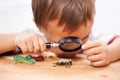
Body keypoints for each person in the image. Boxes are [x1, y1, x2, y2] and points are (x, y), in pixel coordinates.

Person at [0, 0, 120, 67]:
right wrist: (15, 39)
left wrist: (110, 53)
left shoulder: (93, 39)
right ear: (40, 26)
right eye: (66, 42)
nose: (74, 47)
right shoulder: (34, 39)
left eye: (83, 37)